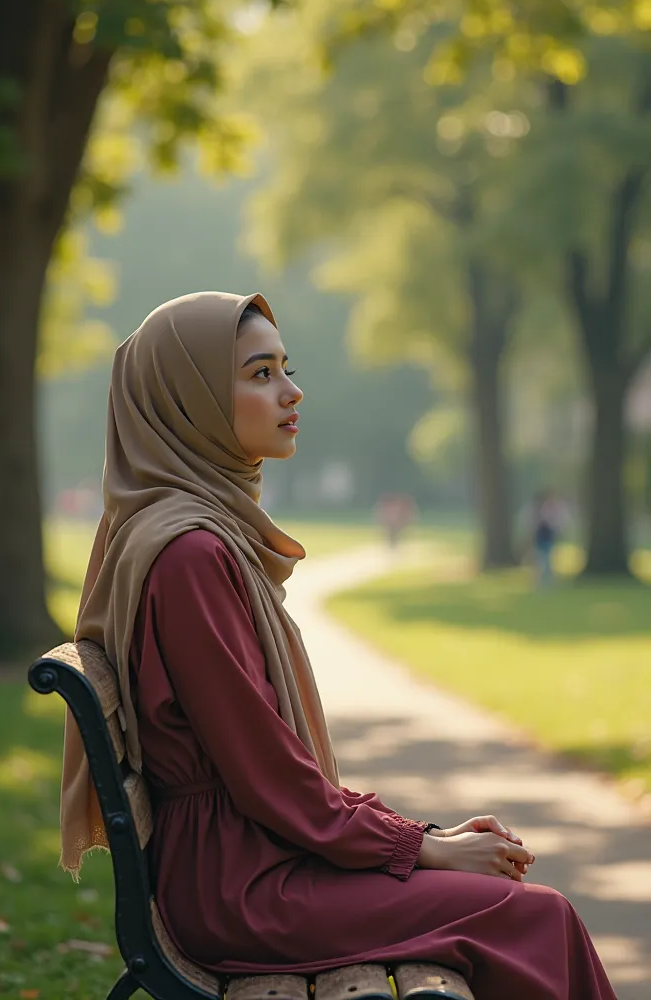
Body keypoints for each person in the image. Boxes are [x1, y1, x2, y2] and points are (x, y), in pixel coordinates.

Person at [59, 292, 615, 1000]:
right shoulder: (189, 554)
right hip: (244, 891)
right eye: (260, 374)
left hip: (251, 862)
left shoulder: (186, 532)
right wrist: (422, 848)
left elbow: (272, 776)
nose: (291, 392)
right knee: (536, 917)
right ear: (188, 400)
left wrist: (424, 836)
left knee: (528, 913)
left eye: (285, 368)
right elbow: (267, 776)